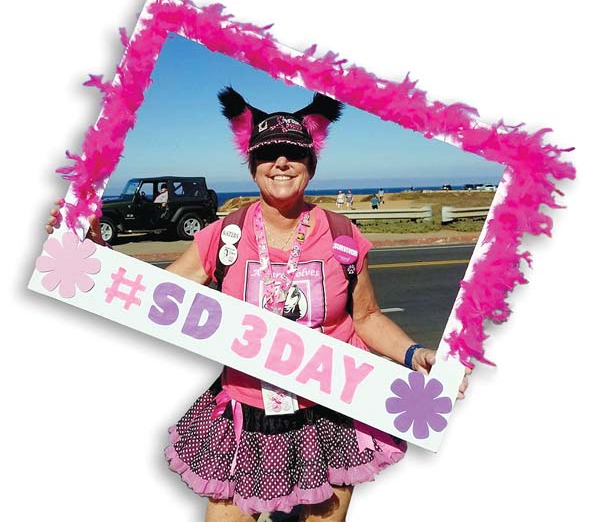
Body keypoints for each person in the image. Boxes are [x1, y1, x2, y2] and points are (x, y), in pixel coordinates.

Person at [46, 87, 469, 522]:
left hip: (331, 408)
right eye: (267, 153)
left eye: (294, 153)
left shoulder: (343, 235)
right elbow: (155, 293)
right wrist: (93, 254)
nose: (281, 162)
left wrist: (415, 354)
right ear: (253, 167)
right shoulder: (222, 235)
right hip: (247, 408)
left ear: (310, 164)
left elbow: (367, 316)